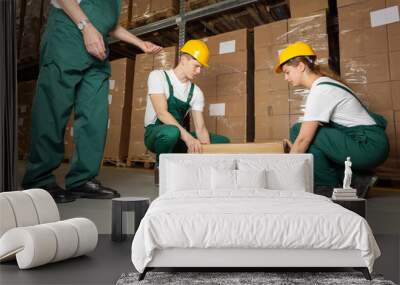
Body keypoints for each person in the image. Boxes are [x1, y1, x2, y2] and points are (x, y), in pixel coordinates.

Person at [22, 0, 162, 203]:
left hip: (97, 51)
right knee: (52, 111)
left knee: (95, 116)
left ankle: (82, 179)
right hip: (68, 37)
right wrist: (85, 27)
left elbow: (110, 25)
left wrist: (140, 44)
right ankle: (39, 179)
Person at [275, 42, 389, 197]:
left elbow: (303, 140)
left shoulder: (321, 90)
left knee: (299, 132)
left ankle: (327, 189)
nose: (286, 78)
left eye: (287, 72)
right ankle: (357, 180)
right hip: (369, 143)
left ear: (300, 66)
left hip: (368, 146)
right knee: (302, 133)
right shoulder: (325, 85)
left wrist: (283, 173)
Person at [144, 39, 230, 174]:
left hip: (179, 136)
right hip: (156, 134)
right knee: (171, 132)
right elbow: (162, 113)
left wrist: (206, 157)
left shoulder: (196, 92)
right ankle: (161, 169)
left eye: (201, 67)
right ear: (183, 60)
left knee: (222, 142)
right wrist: (189, 139)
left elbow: (200, 129)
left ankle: (194, 165)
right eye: (196, 66)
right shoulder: (158, 76)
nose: (199, 71)